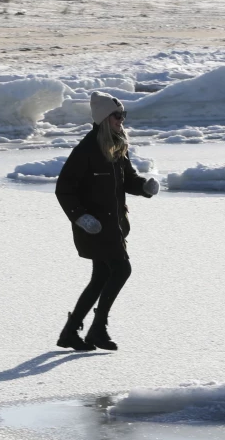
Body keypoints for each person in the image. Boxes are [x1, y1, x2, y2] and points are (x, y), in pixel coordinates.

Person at [55, 91, 159, 351]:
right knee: (121, 270)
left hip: (114, 225)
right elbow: (64, 189)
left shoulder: (116, 145)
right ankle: (97, 329)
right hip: (95, 227)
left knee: (102, 276)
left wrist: (145, 186)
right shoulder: (87, 149)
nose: (121, 120)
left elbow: (128, 180)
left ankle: (71, 332)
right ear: (104, 117)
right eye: (117, 115)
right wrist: (81, 217)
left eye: (123, 115)